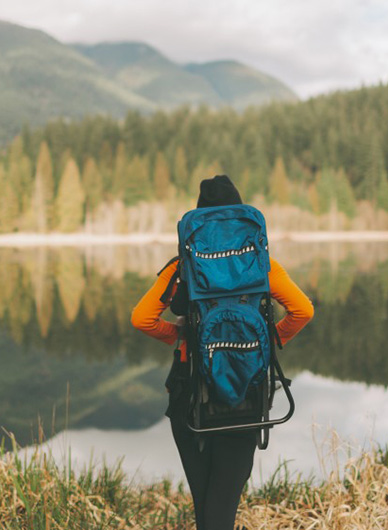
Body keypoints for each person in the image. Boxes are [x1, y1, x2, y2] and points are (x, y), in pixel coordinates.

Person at [131, 175, 314, 530]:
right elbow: (303, 311)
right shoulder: (262, 266)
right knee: (223, 505)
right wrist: (268, 341)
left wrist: (181, 336)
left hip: (189, 392)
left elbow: (141, 319)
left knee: (205, 503)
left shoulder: (182, 267)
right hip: (245, 390)